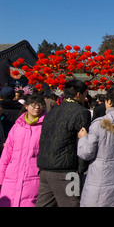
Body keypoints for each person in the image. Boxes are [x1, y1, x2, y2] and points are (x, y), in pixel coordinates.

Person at [76, 86, 114, 207]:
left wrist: (83, 138)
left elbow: (86, 153)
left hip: (100, 179)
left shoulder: (99, 124)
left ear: (109, 101)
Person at [36, 79, 91, 207]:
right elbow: (81, 141)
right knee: (71, 204)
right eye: (84, 94)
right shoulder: (81, 112)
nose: (85, 97)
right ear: (78, 94)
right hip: (66, 169)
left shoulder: (52, 111)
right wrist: (81, 169)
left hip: (45, 167)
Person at [0, 94, 46, 207]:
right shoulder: (17, 126)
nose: (37, 108)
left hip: (34, 176)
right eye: (33, 105)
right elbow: (7, 153)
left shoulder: (46, 126)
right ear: (26, 106)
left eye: (40, 105)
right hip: (12, 176)